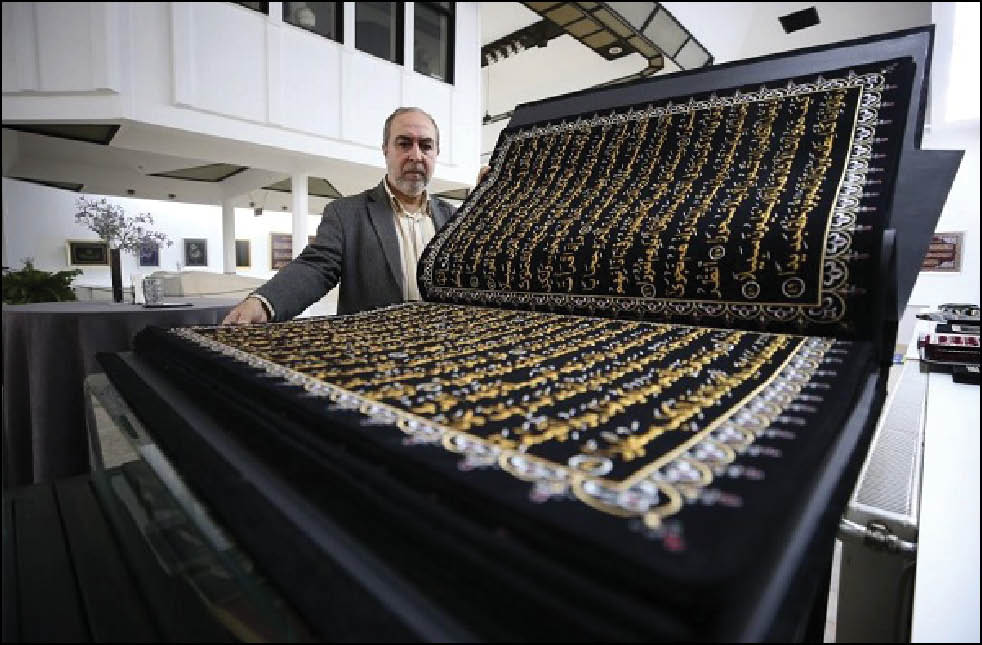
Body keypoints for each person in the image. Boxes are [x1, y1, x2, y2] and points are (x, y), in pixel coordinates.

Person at [223, 107, 481, 324]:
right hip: (373, 357)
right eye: (404, 144)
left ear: (436, 153)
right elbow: (315, 268)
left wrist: (490, 207)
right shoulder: (346, 215)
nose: (416, 155)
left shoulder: (456, 219)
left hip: (442, 354)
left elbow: (478, 278)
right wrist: (264, 303)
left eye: (426, 146)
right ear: (386, 150)